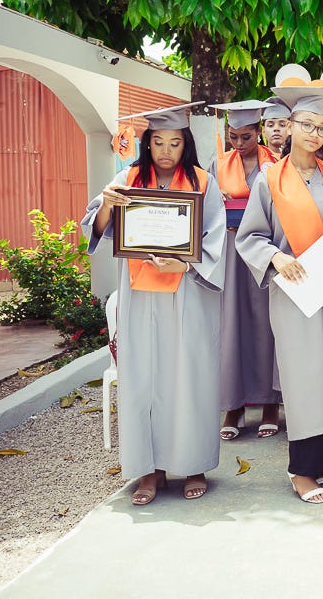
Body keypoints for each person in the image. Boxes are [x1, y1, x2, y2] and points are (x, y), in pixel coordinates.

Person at [81, 102, 226, 505]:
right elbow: (97, 227)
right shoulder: (127, 177)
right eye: (158, 142)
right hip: (139, 292)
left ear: (186, 145)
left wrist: (182, 259)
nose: (165, 150)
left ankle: (193, 464)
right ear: (147, 144)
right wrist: (109, 203)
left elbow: (215, 237)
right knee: (143, 379)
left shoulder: (201, 182)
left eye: (174, 143)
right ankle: (150, 470)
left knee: (188, 376)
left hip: (187, 292)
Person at [235, 87, 323, 504]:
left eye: (322, 128)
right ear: (288, 127)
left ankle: (322, 460)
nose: (313, 133)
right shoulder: (269, 180)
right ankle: (300, 469)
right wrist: (274, 257)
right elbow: (251, 235)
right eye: (306, 124)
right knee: (304, 376)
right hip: (293, 291)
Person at [209, 100, 283, 442]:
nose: (238, 144)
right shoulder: (217, 164)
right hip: (229, 251)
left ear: (259, 131)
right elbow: (205, 211)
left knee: (268, 324)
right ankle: (233, 404)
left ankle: (270, 403)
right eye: (233, 137)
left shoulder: (277, 163)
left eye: (246, 137)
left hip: (266, 249)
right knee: (232, 325)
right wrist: (217, 201)